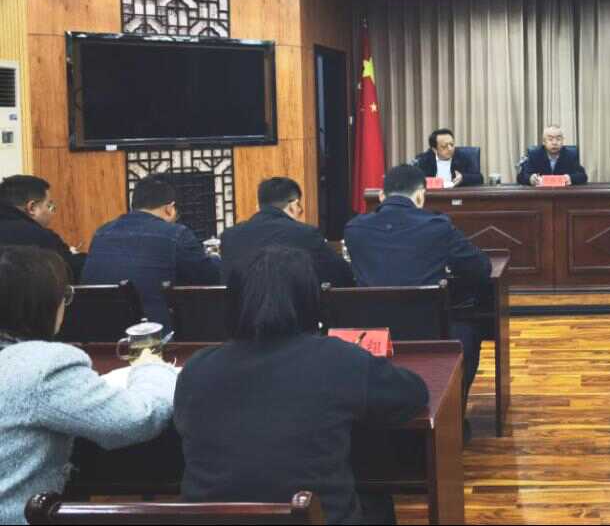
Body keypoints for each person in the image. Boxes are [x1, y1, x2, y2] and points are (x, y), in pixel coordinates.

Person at [175, 246, 429, 525]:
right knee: (375, 493)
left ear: (232, 302)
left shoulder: (196, 368)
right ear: (309, 300)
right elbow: (414, 394)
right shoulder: (338, 358)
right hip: (314, 517)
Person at [0, 246, 176, 526]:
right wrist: (150, 366)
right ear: (39, 303)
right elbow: (137, 419)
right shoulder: (43, 366)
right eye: (64, 295)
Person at [343, 164, 491, 416]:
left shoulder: (354, 229)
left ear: (382, 196)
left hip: (372, 334)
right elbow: (480, 268)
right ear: (421, 195)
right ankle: (452, 419)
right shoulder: (437, 226)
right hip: (429, 332)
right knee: (470, 331)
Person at [82, 175, 222, 329]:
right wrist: (215, 256)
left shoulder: (101, 232)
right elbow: (209, 276)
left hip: (100, 328)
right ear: (169, 209)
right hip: (155, 332)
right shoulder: (176, 234)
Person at [220, 177, 354, 288]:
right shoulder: (306, 234)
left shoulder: (230, 236)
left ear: (259, 206)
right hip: (292, 312)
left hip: (241, 312)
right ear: (294, 205)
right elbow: (342, 275)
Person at [0, 175, 85, 280]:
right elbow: (71, 271)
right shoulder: (37, 236)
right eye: (49, 206)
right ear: (32, 208)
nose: (52, 213)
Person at [517, 124, 588, 186]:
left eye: (558, 139)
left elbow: (583, 176)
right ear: (544, 142)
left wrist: (570, 178)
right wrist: (530, 178)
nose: (554, 143)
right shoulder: (534, 155)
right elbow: (520, 177)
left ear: (563, 141)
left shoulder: (570, 155)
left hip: (564, 194)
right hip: (540, 194)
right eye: (550, 139)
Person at [413, 128, 483, 187]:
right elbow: (415, 181)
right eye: (444, 146)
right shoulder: (423, 160)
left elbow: (479, 178)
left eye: (451, 144)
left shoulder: (463, 157)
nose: (450, 148)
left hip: (457, 195)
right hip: (433, 196)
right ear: (434, 149)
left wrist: (463, 178)